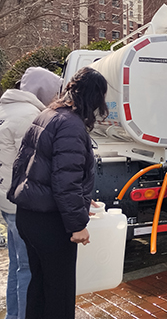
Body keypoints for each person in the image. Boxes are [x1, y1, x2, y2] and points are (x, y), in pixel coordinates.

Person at [8, 67, 108, 317]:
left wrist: (82, 200)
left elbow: (26, 166)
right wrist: (77, 225)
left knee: (39, 286)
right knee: (59, 292)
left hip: (28, 215)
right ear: (94, 98)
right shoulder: (71, 125)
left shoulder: (47, 115)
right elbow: (65, 181)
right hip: (51, 223)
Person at [0, 67, 62, 319]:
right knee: (28, 267)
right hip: (21, 201)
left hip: (5, 198)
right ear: (42, 91)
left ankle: (14, 315)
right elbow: (36, 166)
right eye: (54, 92)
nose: (56, 98)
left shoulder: (6, 109)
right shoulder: (31, 116)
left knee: (17, 264)